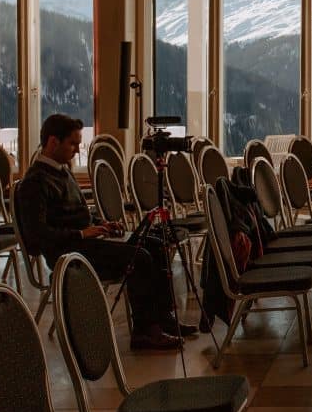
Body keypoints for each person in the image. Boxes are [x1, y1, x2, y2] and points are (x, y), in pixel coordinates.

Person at [16, 114, 196, 349]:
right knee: (139, 257)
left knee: (155, 242)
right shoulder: (34, 182)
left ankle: (163, 319)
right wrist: (82, 234)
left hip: (85, 243)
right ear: (52, 142)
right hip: (69, 252)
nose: (77, 149)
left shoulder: (63, 171)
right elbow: (37, 236)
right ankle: (145, 332)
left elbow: (80, 213)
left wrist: (101, 223)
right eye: (72, 143)